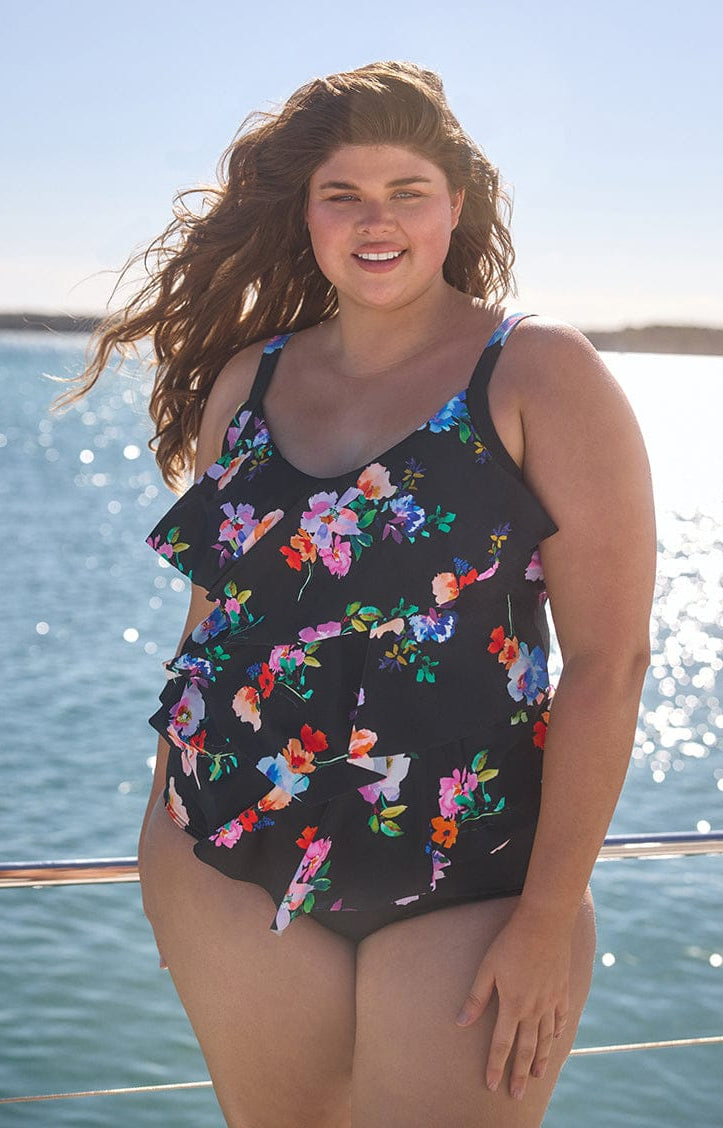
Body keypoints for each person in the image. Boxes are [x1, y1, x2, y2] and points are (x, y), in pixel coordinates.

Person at [59, 61, 656, 1128]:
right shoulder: (248, 381)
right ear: (306, 214)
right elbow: (207, 635)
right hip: (229, 871)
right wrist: (163, 840)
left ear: (454, 209)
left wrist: (547, 917)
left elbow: (609, 664)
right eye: (343, 194)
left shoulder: (534, 373)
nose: (374, 221)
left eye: (406, 193)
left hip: (471, 884)